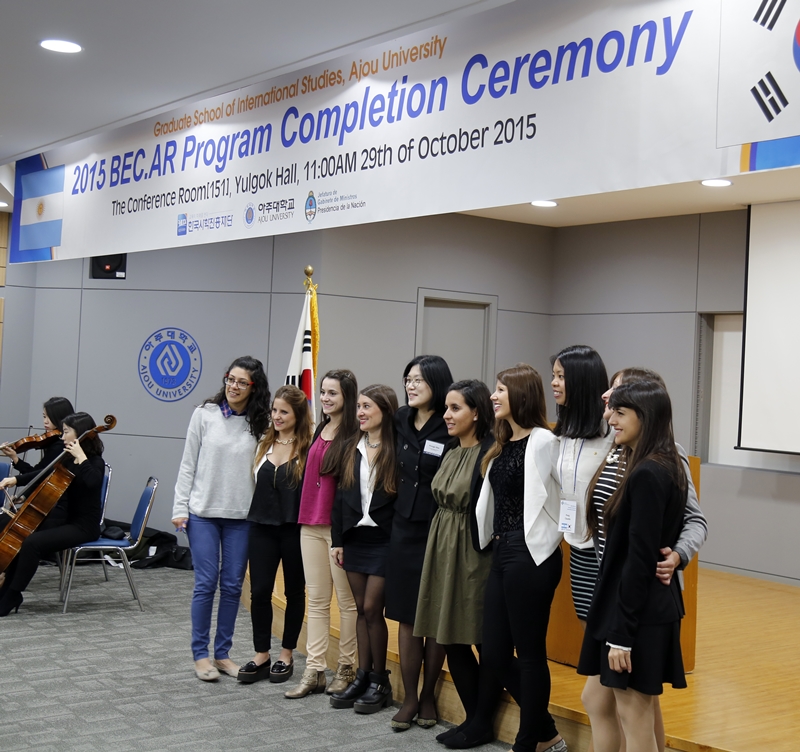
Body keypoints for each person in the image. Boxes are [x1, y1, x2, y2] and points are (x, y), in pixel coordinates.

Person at [581, 367, 707, 752]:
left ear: (644, 414)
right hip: (624, 601)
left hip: (637, 608)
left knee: (635, 715)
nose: (609, 416)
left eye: (619, 410)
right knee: (600, 700)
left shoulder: (652, 469)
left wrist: (622, 634)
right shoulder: (637, 457)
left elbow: (640, 558)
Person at [470, 364, 566, 752]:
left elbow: (566, 496)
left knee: (529, 654)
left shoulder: (544, 441)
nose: (493, 396)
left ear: (521, 394)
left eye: (500, 390)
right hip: (502, 550)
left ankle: (528, 743)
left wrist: (555, 535)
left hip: (532, 554)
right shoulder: (502, 442)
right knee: (492, 651)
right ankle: (547, 733)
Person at [171, 356, 271, 682]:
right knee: (205, 583)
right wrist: (179, 508)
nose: (234, 386)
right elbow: (188, 464)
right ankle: (200, 655)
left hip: (241, 517)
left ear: (254, 387)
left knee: (231, 586)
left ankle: (222, 654)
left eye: (242, 382)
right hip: (202, 514)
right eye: (231, 379)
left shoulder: (261, 423)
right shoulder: (205, 414)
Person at [413, 380, 495, 736]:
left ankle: (483, 720)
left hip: (474, 552)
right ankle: (473, 718)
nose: (446, 415)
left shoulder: (491, 453)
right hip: (442, 546)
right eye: (446, 407)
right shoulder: (448, 449)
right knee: (448, 636)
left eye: (455, 408)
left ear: (476, 412)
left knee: (478, 636)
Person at [385, 354, 453, 729]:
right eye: (408, 379)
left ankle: (429, 696)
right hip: (403, 529)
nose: (410, 386)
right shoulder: (400, 419)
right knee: (407, 616)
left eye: (418, 380)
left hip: (437, 530)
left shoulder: (450, 423)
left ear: (436, 384)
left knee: (434, 617)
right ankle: (410, 697)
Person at [285, 370, 360, 699]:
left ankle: (346, 667)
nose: (325, 398)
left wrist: (341, 536)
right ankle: (314, 670)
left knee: (346, 604)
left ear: (347, 396)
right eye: (323, 392)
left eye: (333, 393)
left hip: (337, 529)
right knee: (316, 601)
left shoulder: (354, 434)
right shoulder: (321, 427)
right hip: (310, 524)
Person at [237, 385, 313, 685]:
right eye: (274, 410)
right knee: (259, 591)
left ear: (298, 414)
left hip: (294, 530)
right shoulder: (262, 443)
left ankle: (286, 654)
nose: (277, 416)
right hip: (261, 529)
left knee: (294, 592)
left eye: (284, 411)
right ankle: (261, 654)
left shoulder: (308, 448)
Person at [330, 384, 398, 714]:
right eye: (358, 406)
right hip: (355, 538)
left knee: (373, 608)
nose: (360, 412)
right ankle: (363, 676)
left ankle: (380, 681)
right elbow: (340, 497)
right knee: (360, 609)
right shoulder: (351, 447)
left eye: (367, 406)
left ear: (385, 410)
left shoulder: (397, 449)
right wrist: (337, 540)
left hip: (385, 540)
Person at [0, 412, 105, 617]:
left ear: (80, 435)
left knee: (33, 543)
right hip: (68, 520)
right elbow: (44, 475)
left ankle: (13, 595)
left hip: (85, 526)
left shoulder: (94, 462)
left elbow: (93, 482)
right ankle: (5, 591)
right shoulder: (67, 460)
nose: (62, 437)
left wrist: (81, 456)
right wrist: (17, 481)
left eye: (66, 432)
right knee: (24, 536)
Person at [550, 345, 613, 622]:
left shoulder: (612, 432)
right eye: (554, 376)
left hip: (607, 549)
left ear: (582, 380)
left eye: (561, 377)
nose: (554, 383)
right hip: (577, 544)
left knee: (609, 625)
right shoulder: (565, 431)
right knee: (587, 620)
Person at [1, 396, 76, 474]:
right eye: (44, 416)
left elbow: (37, 476)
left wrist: (15, 458)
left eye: (50, 417)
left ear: (60, 418)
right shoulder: (53, 440)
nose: (45, 421)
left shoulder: (60, 445)